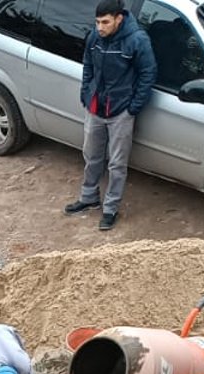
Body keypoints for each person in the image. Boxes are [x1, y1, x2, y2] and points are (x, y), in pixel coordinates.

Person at [65, 0, 157, 232]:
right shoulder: (94, 38)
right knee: (91, 155)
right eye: (97, 22)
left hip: (121, 112)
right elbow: (87, 65)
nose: (100, 27)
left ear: (119, 18)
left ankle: (110, 209)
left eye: (105, 22)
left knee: (117, 164)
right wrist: (86, 94)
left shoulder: (137, 40)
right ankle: (88, 197)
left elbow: (148, 73)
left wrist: (133, 107)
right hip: (95, 108)